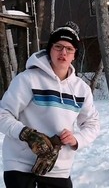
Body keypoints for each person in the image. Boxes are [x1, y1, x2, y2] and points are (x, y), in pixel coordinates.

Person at [0, 21, 100, 188]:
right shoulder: (28, 79)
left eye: (69, 49)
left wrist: (76, 139)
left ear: (75, 54)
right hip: (20, 165)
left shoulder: (81, 89)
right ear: (50, 49)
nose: (63, 53)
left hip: (59, 169)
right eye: (58, 46)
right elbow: (3, 114)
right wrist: (26, 134)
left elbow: (92, 124)